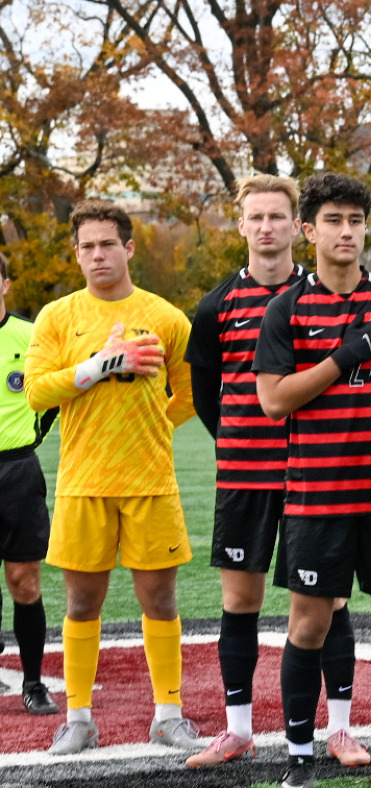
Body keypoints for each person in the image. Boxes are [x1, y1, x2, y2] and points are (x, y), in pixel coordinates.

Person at [244, 173, 371, 788]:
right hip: (317, 496)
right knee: (308, 628)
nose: (345, 232)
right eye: (333, 221)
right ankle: (299, 755)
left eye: (355, 221)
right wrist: (343, 358)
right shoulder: (286, 308)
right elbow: (272, 402)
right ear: (309, 230)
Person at [185, 174, 360, 771]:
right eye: (255, 217)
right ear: (241, 225)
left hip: (316, 475)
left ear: (296, 226)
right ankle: (236, 730)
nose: (266, 227)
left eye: (276, 217)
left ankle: (339, 729)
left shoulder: (319, 297)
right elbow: (207, 397)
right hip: (244, 474)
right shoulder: (215, 305)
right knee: (241, 600)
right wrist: (242, 443)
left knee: (328, 602)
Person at [26, 200, 195, 755]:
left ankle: (168, 714)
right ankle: (79, 719)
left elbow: (190, 394)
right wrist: (100, 365)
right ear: (77, 255)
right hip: (82, 482)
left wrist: (154, 426)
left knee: (161, 601)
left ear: (129, 248)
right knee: (81, 604)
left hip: (150, 481)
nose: (97, 255)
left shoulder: (167, 317)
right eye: (86, 247)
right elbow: (36, 392)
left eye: (106, 244)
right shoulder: (57, 316)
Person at [0, 252, 58, 717]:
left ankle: (34, 682)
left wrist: (35, 433)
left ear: (5, 284)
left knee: (24, 580)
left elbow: (53, 390)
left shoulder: (30, 335)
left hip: (17, 472)